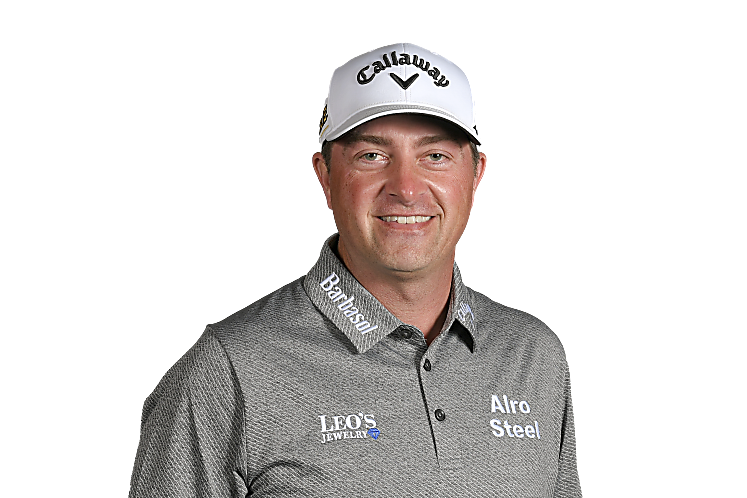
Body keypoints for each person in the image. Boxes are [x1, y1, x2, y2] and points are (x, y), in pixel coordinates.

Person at [128, 41, 582, 497]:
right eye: (372, 156)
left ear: (477, 172)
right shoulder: (227, 368)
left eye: (435, 156)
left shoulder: (535, 355)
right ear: (324, 175)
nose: (406, 189)